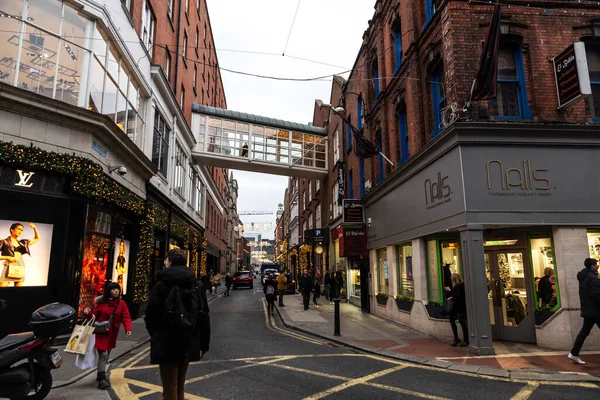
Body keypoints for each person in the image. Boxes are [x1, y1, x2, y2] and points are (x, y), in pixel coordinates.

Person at [145, 248, 210, 400]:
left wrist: (156, 335)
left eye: (166, 260)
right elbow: (204, 316)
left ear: (170, 261)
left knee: (169, 387)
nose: (165, 262)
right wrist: (204, 344)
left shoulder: (161, 284)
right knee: (180, 384)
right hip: (188, 339)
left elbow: (150, 315)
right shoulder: (196, 285)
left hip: (166, 340)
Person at [83, 282, 132, 390]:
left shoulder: (121, 303)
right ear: (108, 291)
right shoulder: (100, 303)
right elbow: (94, 317)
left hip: (112, 333)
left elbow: (126, 317)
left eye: (117, 289)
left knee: (106, 354)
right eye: (113, 289)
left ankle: (101, 374)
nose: (116, 291)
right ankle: (102, 379)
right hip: (101, 333)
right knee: (103, 355)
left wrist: (128, 329)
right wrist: (87, 314)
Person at [568, 258, 600, 365]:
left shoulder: (583, 277)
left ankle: (574, 353)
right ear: (592, 266)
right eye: (596, 265)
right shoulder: (592, 278)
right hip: (596, 310)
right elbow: (596, 295)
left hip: (588, 310)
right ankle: (574, 353)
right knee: (584, 332)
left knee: (584, 332)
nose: (598, 266)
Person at [0, 222, 40, 287]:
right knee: (2, 288)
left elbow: (37, 238)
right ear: (12, 230)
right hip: (9, 264)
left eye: (22, 230)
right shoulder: (4, 242)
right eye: (19, 229)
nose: (20, 231)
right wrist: (8, 257)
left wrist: (34, 228)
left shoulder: (23, 243)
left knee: (18, 291)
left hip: (20, 264)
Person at [445, 273, 468, 347]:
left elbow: (457, 295)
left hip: (459, 307)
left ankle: (465, 340)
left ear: (455, 278)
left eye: (452, 278)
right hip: (456, 306)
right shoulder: (459, 285)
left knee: (462, 322)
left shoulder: (460, 286)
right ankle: (456, 338)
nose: (451, 280)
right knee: (453, 320)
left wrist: (450, 291)